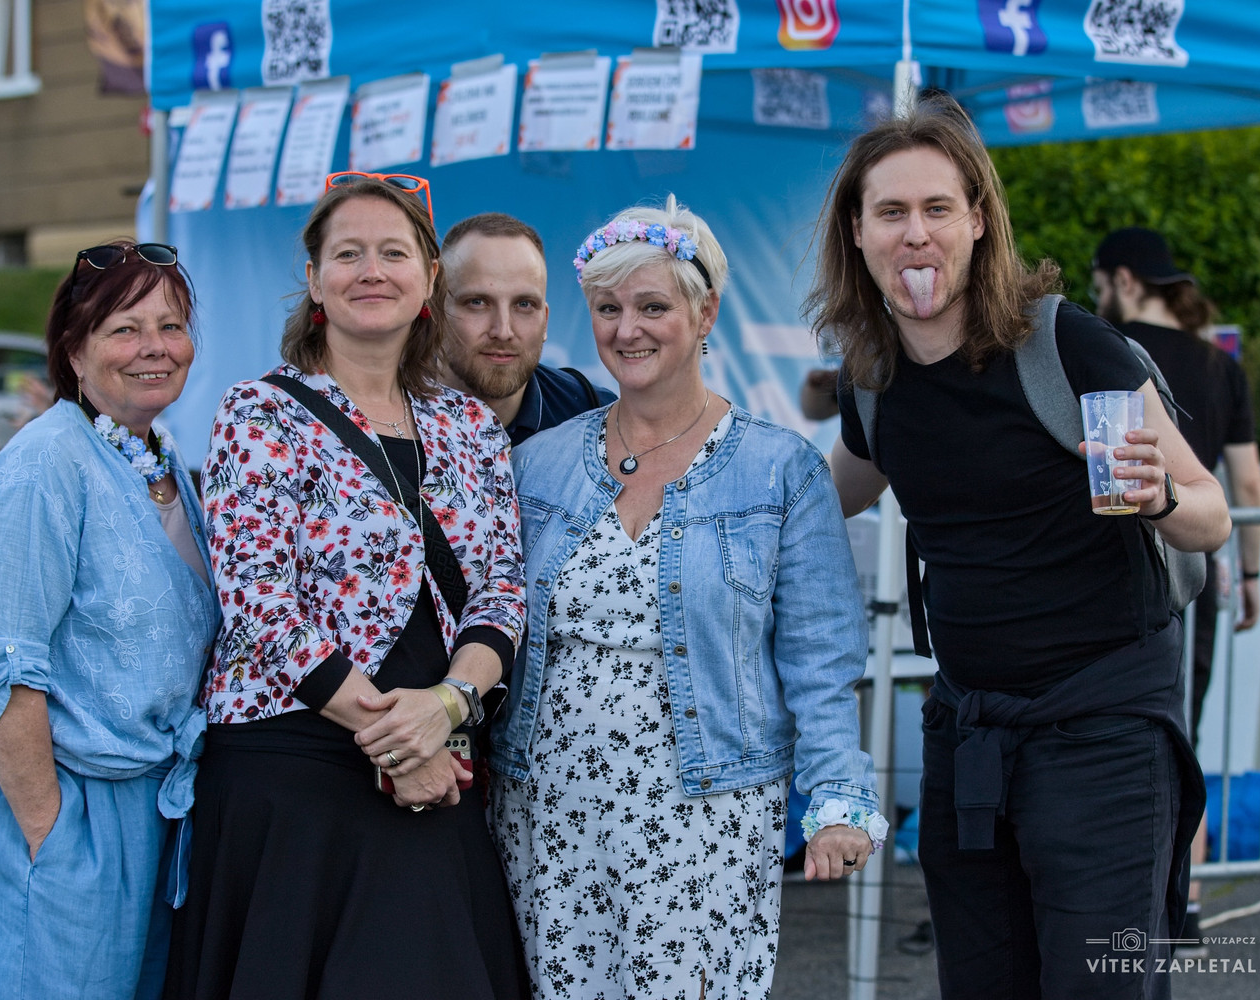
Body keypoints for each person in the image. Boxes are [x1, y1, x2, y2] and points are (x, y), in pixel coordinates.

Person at [810, 93, 1230, 998]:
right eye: (891, 211)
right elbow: (816, 499)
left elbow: (1212, 512)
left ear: (977, 221)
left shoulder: (1065, 346)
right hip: (971, 733)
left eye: (937, 208)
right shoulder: (873, 376)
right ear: (857, 232)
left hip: (1105, 734)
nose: (915, 234)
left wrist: (1159, 497)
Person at [489, 195, 886, 999]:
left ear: (705, 313)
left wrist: (839, 795)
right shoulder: (537, 465)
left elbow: (820, 656)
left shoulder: (781, 471)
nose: (626, 329)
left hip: (707, 812)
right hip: (547, 808)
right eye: (608, 308)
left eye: (652, 306)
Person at [165, 177, 528, 999]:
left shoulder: (469, 425)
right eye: (348, 253)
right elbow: (259, 602)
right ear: (315, 278)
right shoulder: (259, 413)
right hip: (296, 765)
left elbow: (503, 591)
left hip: (436, 757)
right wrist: (395, 739)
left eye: (393, 253)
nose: (371, 271)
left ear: (428, 279)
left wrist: (443, 711)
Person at [0, 240, 220, 999]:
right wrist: (50, 830)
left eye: (171, 325)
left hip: (147, 806)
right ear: (74, 350)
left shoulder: (157, 455)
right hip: (62, 802)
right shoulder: (44, 466)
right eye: (125, 329)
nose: (155, 347)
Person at [1092, 224, 1260, 942]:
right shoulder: (1220, 364)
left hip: (1116, 576)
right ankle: (1184, 900)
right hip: (1197, 568)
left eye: (1101, 285)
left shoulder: (1100, 349)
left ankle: (1121, 900)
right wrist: (1251, 574)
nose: (1099, 298)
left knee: (1111, 739)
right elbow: (1247, 482)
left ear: (1125, 280)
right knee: (1182, 733)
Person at [439, 212, 615, 444]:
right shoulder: (394, 416)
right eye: (477, 303)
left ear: (545, 320)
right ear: (436, 313)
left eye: (524, 305)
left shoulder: (597, 416)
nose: (503, 331)